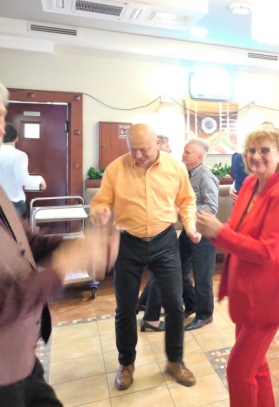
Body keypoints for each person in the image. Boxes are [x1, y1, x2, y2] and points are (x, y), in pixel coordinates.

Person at [0, 82, 108, 407]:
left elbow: (21, 239)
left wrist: (66, 246)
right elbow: (5, 305)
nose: (2, 128)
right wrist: (62, 267)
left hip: (22, 358)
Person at [196, 126, 279, 407]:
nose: (256, 156)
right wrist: (211, 229)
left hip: (270, 293)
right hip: (248, 289)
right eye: (252, 150)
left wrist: (219, 232)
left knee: (238, 370)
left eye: (265, 150)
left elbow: (268, 252)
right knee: (256, 365)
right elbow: (237, 227)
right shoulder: (250, 183)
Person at [90, 124, 200, 390]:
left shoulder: (175, 168)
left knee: (175, 304)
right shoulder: (116, 168)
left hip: (165, 242)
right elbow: (100, 202)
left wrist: (190, 225)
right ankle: (126, 363)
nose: (138, 155)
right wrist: (100, 213)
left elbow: (187, 200)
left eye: (144, 149)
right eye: (133, 149)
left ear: (157, 143)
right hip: (128, 243)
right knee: (125, 308)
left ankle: (175, 361)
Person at [141, 138, 220, 332]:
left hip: (204, 235)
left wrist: (183, 208)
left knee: (202, 277)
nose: (183, 154)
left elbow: (211, 208)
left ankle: (205, 315)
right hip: (188, 231)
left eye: (187, 152)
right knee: (178, 271)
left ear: (199, 158)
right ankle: (191, 304)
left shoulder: (206, 177)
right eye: (184, 151)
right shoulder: (185, 173)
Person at [137, 135, 174, 315]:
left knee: (165, 274)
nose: (171, 151)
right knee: (163, 274)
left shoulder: (174, 169)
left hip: (168, 233)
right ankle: (150, 315)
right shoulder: (144, 173)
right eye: (168, 147)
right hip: (148, 234)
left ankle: (146, 309)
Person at [0, 123, 46, 218]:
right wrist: (40, 179)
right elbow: (23, 180)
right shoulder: (19, 155)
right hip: (13, 204)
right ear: (16, 138)